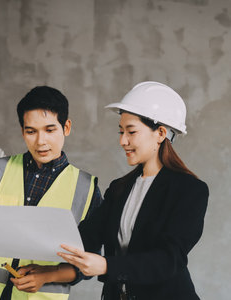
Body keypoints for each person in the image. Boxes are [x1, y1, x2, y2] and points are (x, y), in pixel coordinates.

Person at [57, 81, 209, 300]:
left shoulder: (190, 190)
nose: (122, 140)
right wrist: (44, 260)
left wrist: (107, 265)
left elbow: (169, 259)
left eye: (131, 131)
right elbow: (86, 238)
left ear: (160, 133)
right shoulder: (119, 189)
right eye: (121, 131)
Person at [0, 86, 103, 300]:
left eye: (50, 130)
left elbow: (90, 260)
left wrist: (48, 275)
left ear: (66, 127)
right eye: (31, 131)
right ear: (22, 131)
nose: (40, 141)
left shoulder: (86, 188)